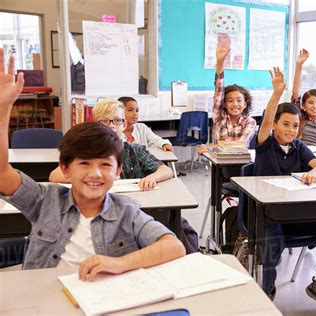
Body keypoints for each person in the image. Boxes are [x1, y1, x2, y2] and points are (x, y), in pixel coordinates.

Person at [0, 48, 185, 278]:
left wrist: (120, 263)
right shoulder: (46, 202)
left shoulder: (126, 212)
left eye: (105, 165)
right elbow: (3, 172)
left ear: (117, 170)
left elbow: (174, 246)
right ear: (66, 169)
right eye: (85, 164)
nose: (95, 173)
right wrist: (3, 110)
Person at [255, 66, 316, 312]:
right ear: (274, 125)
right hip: (269, 216)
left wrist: (312, 173)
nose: (290, 130)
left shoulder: (298, 146)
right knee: (272, 241)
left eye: (295, 126)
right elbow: (265, 120)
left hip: (298, 214)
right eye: (285, 124)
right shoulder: (265, 144)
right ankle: (265, 292)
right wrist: (277, 93)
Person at [49, 99, 174, 191]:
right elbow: (54, 175)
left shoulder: (135, 150)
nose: (111, 126)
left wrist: (152, 178)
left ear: (124, 124)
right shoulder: (86, 151)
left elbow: (166, 170)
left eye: (117, 120)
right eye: (104, 121)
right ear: (96, 125)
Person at [212, 43, 256, 147]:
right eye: (230, 101)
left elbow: (241, 144)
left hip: (241, 162)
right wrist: (220, 62)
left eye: (239, 100)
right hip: (219, 162)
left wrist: (210, 148)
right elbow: (219, 89)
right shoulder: (219, 117)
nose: (235, 104)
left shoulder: (250, 121)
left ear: (245, 104)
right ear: (225, 104)